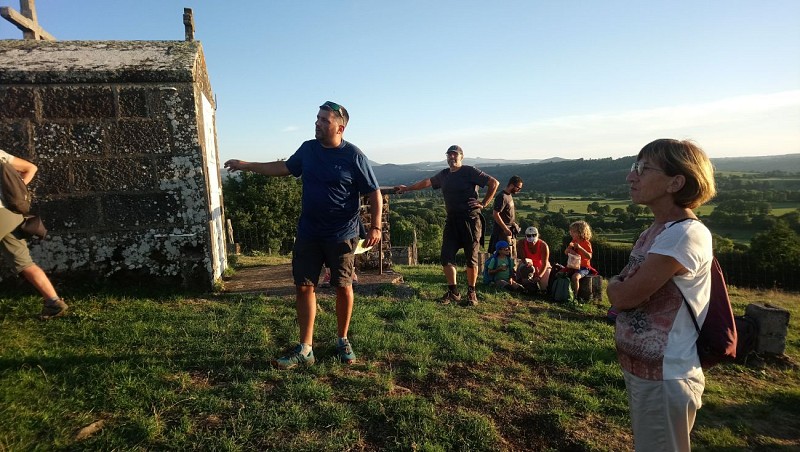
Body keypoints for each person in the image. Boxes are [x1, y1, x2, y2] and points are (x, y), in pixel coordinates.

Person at [224, 101, 382, 370]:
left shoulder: (354, 156)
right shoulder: (308, 149)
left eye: (324, 120)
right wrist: (246, 165)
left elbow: (374, 192)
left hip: (342, 234)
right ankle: (305, 348)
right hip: (309, 232)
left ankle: (342, 339)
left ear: (339, 127)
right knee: (304, 286)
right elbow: (283, 168)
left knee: (343, 286)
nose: (317, 124)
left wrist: (376, 226)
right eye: (317, 118)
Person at [607, 139, 717, 451]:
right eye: (633, 168)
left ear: (676, 182)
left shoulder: (685, 235)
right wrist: (620, 287)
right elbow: (626, 288)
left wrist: (616, 286)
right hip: (645, 373)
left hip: (666, 375)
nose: (631, 177)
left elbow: (623, 294)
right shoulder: (655, 232)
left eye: (643, 169)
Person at [394, 145, 499, 306]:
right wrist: (407, 189)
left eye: (454, 155)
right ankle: (454, 292)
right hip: (452, 221)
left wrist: (484, 203)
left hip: (471, 220)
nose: (451, 157)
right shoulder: (444, 175)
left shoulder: (470, 171)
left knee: (471, 259)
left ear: (461, 156)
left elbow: (494, 183)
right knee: (446, 257)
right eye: (449, 155)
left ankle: (471, 292)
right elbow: (427, 182)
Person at [0, 149, 67, 320]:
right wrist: (15, 194)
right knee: (24, 263)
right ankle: (53, 302)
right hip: (11, 214)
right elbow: (31, 168)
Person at [488, 175, 523, 257]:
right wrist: (505, 229)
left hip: (510, 230)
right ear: (511, 185)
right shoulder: (502, 197)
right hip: (502, 233)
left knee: (512, 255)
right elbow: (495, 214)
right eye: (518, 188)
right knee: (505, 255)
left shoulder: (509, 196)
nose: (519, 190)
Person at [515, 226, 551, 293]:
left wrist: (539, 276)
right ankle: (526, 285)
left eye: (534, 236)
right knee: (524, 269)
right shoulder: (521, 243)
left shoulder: (543, 245)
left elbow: (544, 263)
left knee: (545, 287)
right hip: (528, 264)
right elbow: (523, 258)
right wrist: (527, 262)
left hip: (542, 266)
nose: (532, 243)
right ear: (526, 236)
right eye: (529, 236)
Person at [564, 220, 594, 296]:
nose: (571, 233)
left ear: (581, 232)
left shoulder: (586, 243)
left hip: (584, 267)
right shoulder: (573, 241)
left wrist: (580, 248)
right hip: (573, 265)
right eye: (571, 231)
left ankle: (575, 296)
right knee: (561, 274)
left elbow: (589, 256)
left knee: (575, 277)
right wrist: (568, 250)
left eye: (573, 231)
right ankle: (565, 293)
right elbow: (566, 252)